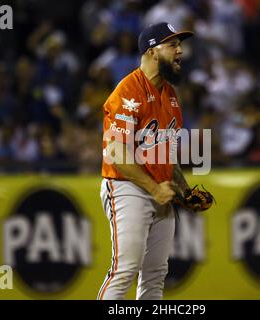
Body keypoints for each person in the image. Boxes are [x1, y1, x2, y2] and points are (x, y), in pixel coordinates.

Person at [97, 22, 193, 300]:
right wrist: (154, 189)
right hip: (127, 186)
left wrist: (184, 191)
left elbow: (166, 155)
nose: (180, 51)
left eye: (180, 44)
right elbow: (116, 152)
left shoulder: (171, 96)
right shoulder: (127, 91)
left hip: (160, 190)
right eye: (173, 45)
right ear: (152, 51)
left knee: (155, 275)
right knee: (125, 270)